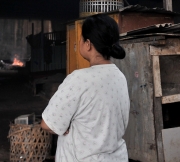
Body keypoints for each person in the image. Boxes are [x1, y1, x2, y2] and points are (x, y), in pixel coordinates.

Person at [41, 14, 130, 161]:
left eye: (81, 38)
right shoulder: (120, 77)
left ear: (88, 44)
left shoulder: (78, 79)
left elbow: (47, 124)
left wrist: (66, 124)